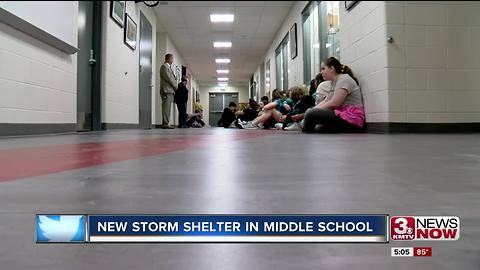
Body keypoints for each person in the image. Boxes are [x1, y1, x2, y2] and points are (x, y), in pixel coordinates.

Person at [302, 56, 365, 133]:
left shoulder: (344, 79)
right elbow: (326, 100)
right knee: (316, 122)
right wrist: (312, 109)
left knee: (311, 114)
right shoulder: (334, 82)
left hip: (352, 118)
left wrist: (312, 111)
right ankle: (306, 126)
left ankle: (305, 129)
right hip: (343, 115)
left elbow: (335, 103)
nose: (321, 72)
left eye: (323, 69)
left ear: (332, 68)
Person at [160, 53, 178, 129]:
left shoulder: (168, 67)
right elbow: (169, 78)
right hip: (166, 90)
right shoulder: (164, 67)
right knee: (166, 108)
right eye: (172, 59)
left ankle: (166, 123)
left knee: (167, 108)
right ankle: (165, 124)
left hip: (169, 90)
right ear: (169, 59)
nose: (173, 60)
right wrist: (175, 85)